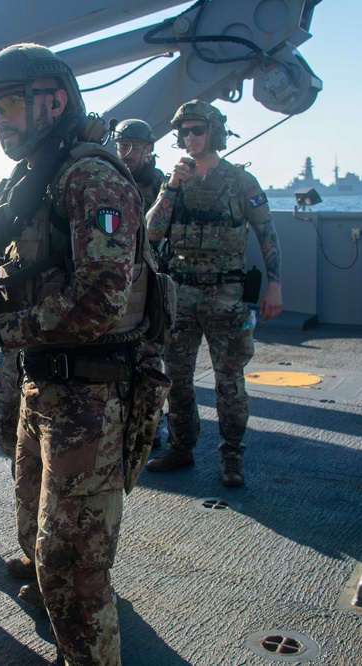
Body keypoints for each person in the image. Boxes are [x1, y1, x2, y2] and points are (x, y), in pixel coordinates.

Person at [0, 43, 167, 666]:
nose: (0, 121)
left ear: (55, 100)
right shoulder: (34, 177)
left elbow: (99, 300)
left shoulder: (90, 177)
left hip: (90, 397)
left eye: (10, 104)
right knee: (39, 540)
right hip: (43, 386)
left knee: (75, 569)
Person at [144, 99, 283, 488]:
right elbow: (152, 232)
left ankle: (232, 456)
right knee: (177, 378)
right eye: (184, 131)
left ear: (214, 132)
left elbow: (267, 234)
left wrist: (275, 284)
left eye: (197, 130)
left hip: (226, 294)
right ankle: (181, 447)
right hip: (182, 293)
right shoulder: (173, 182)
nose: (190, 138)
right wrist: (171, 187)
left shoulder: (241, 182)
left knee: (229, 380)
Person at [114, 119, 170, 449]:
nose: (128, 152)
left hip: (150, 283)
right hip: (118, 282)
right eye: (123, 145)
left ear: (150, 150)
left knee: (150, 355)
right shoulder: (109, 179)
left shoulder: (162, 186)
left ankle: (153, 423)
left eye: (136, 146)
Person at [113, 119, 165, 212]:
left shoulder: (158, 181)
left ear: (148, 149)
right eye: (123, 147)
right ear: (116, 147)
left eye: (136, 148)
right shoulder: (107, 177)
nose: (128, 154)